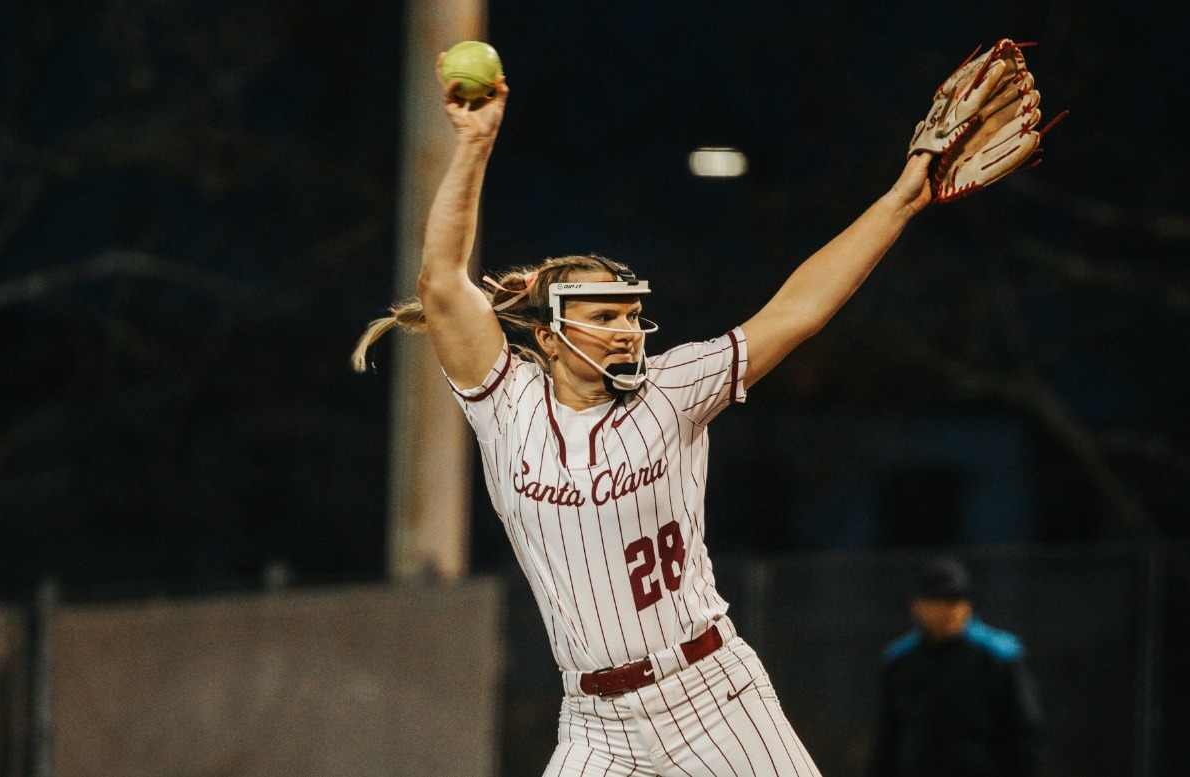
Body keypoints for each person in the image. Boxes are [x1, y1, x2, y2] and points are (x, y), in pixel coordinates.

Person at [353, 51, 933, 777]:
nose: (628, 329)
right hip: (596, 723)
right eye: (605, 315)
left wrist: (900, 199)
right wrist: (472, 144)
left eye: (632, 314)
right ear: (548, 334)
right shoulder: (505, 407)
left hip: (712, 697)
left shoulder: (673, 387)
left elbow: (797, 310)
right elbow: (441, 282)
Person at [869, 556, 1045, 777]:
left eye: (957, 600)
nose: (951, 608)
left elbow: (1023, 735)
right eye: (941, 600)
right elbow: (888, 739)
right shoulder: (900, 661)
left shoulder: (998, 656)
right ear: (917, 606)